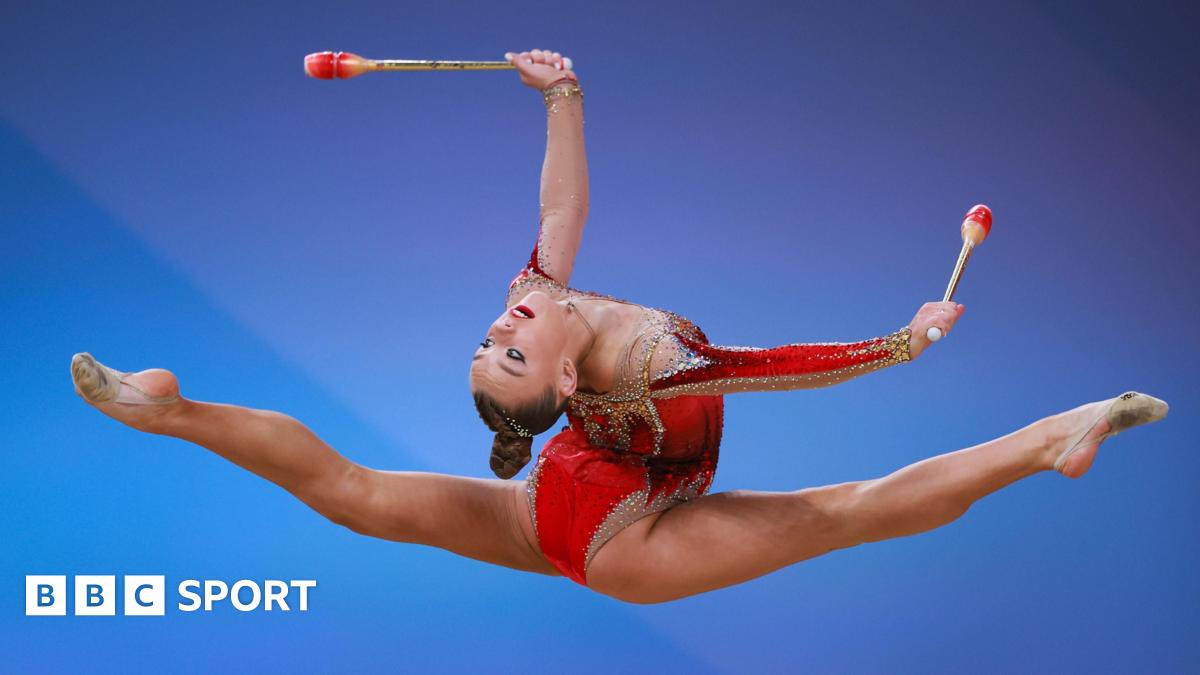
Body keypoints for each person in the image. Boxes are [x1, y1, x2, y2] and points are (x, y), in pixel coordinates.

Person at [70, 48, 1168, 604]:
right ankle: (1055, 433)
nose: (502, 323)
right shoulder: (649, 368)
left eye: (488, 338)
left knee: (352, 493)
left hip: (560, 498)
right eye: (510, 351)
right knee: (848, 512)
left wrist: (560, 98)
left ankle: (172, 410)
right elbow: (778, 371)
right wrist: (905, 340)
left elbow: (562, 208)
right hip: (620, 535)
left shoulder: (543, 292)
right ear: (563, 383)